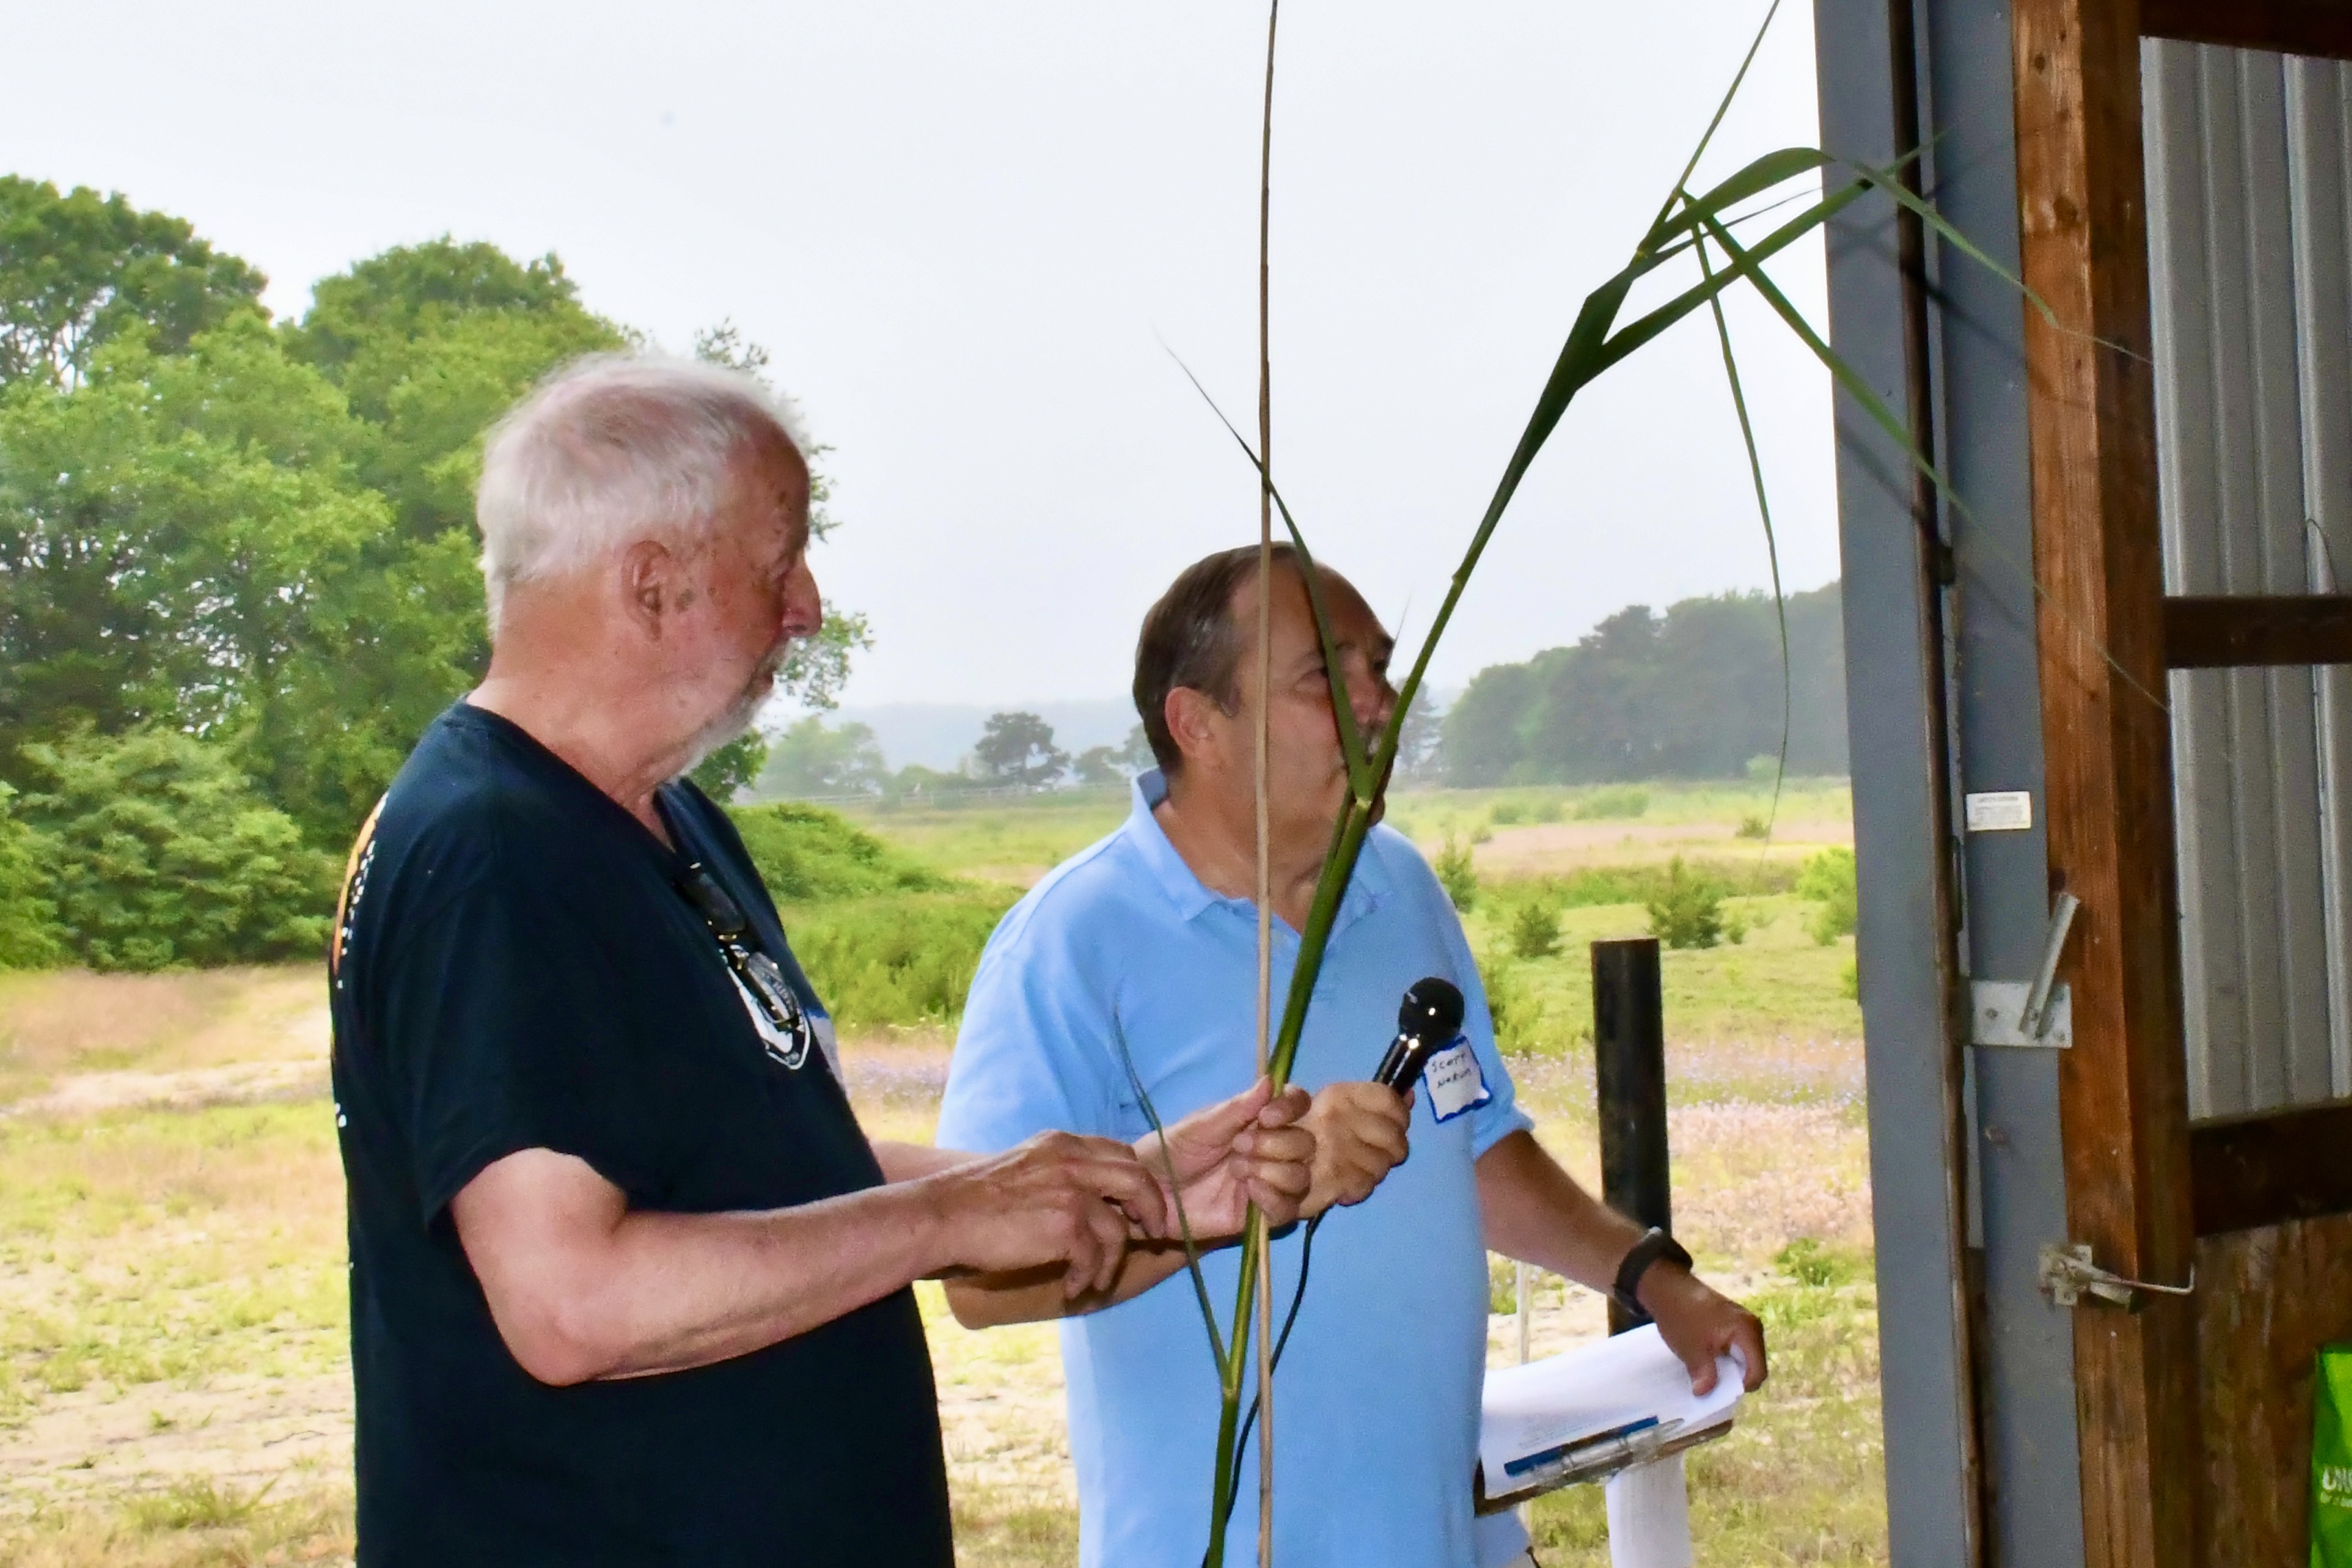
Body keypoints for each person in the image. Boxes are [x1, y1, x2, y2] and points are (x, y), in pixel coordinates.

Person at [327, 357, 1317, 1567]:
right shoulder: (491, 852)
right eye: (779, 556)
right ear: (652, 582)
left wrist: (1112, 1185)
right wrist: (944, 1215)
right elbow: (570, 1302)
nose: (806, 604)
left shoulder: (658, 821)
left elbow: (753, 1165)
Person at [935, 544, 1769, 1568]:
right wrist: (1250, 1194)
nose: (1377, 704)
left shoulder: (1398, 885)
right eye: (1323, 679)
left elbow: (1469, 1139)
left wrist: (1647, 1275)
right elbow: (980, 1282)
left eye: (1378, 668)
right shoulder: (1069, 943)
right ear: (1197, 723)